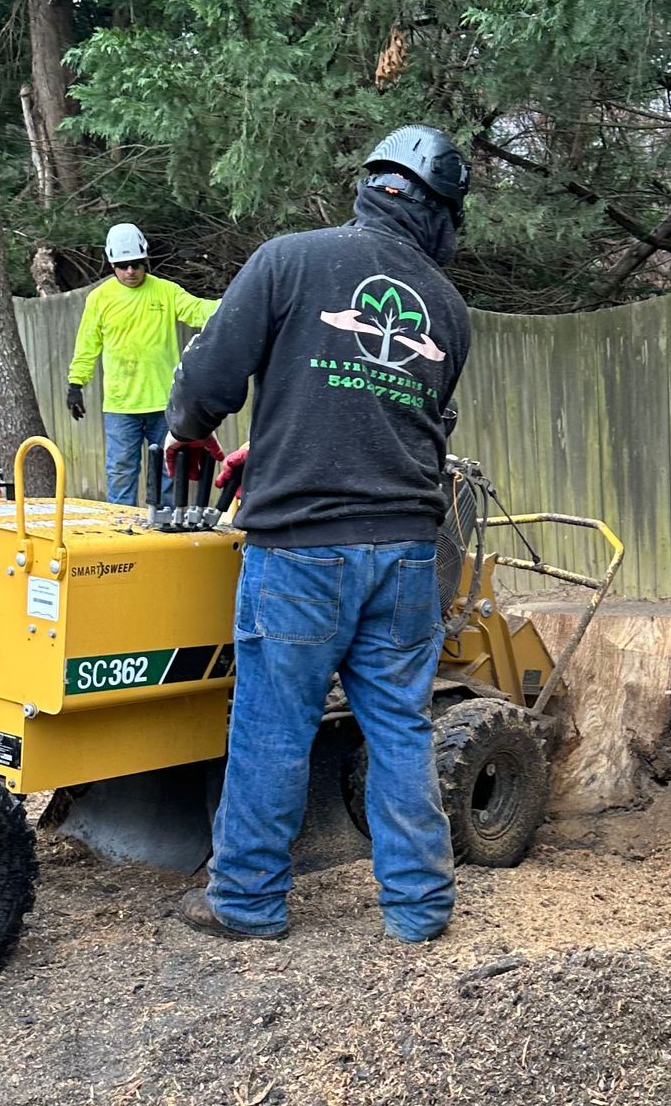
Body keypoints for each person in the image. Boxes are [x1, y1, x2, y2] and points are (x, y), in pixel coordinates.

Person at [162, 125, 472, 944]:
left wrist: (187, 423)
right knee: (401, 725)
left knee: (272, 723)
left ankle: (249, 901)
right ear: (440, 214)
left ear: (374, 187)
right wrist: (274, 442)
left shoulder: (289, 259)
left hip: (300, 550)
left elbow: (207, 384)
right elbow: (398, 419)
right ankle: (419, 907)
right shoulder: (447, 308)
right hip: (406, 553)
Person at [67, 223, 219, 506]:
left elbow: (198, 310)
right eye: (123, 266)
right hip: (121, 406)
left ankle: (164, 531)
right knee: (121, 472)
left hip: (164, 404)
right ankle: (121, 532)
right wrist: (76, 384)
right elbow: (87, 345)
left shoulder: (165, 291)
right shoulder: (100, 299)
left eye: (136, 264)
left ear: (145, 261)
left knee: (170, 470)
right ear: (112, 263)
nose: (130, 272)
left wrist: (234, 303)